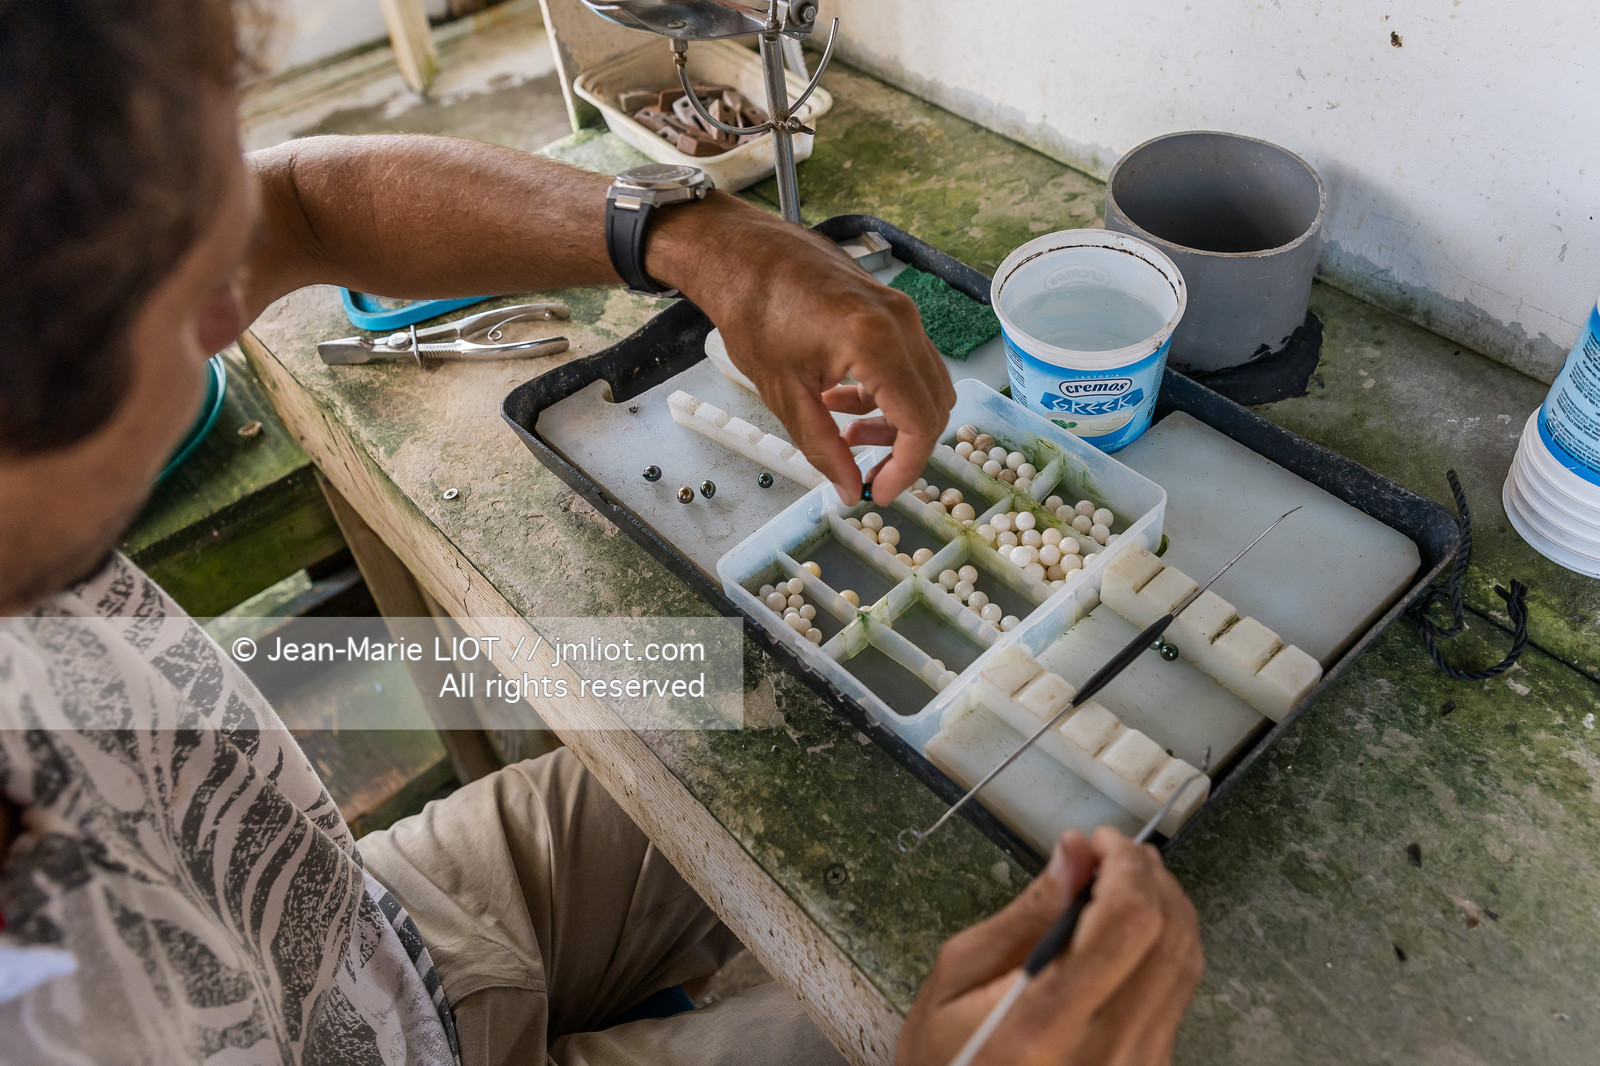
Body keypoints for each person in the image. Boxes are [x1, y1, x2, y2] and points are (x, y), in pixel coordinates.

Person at [0, 2, 1203, 1064]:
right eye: (156, 293)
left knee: (792, 739)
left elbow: (295, 208)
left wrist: (700, 240)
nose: (233, 294)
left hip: (358, 927)